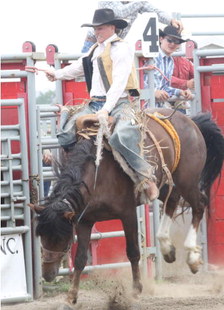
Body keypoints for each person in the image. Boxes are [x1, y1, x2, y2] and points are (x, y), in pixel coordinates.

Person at [35, 8, 159, 202]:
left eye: (100, 28)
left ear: (112, 27)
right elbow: (79, 67)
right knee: (66, 134)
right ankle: (75, 178)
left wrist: (106, 109)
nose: (96, 32)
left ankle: (146, 177)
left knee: (121, 135)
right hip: (95, 103)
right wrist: (56, 74)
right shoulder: (95, 49)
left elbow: (118, 84)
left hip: (120, 103)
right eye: (95, 29)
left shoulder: (122, 49)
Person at [82, 1, 183, 53]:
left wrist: (170, 20)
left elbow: (156, 11)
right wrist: (141, 2)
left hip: (114, 44)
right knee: (87, 73)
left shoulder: (136, 3)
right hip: (95, 42)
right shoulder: (108, 1)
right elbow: (120, 12)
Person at [144, 25, 193, 111]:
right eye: (169, 40)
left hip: (158, 108)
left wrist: (180, 92)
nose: (172, 44)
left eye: (177, 42)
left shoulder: (170, 61)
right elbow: (137, 82)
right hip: (142, 107)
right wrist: (153, 92)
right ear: (161, 39)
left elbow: (164, 87)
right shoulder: (149, 57)